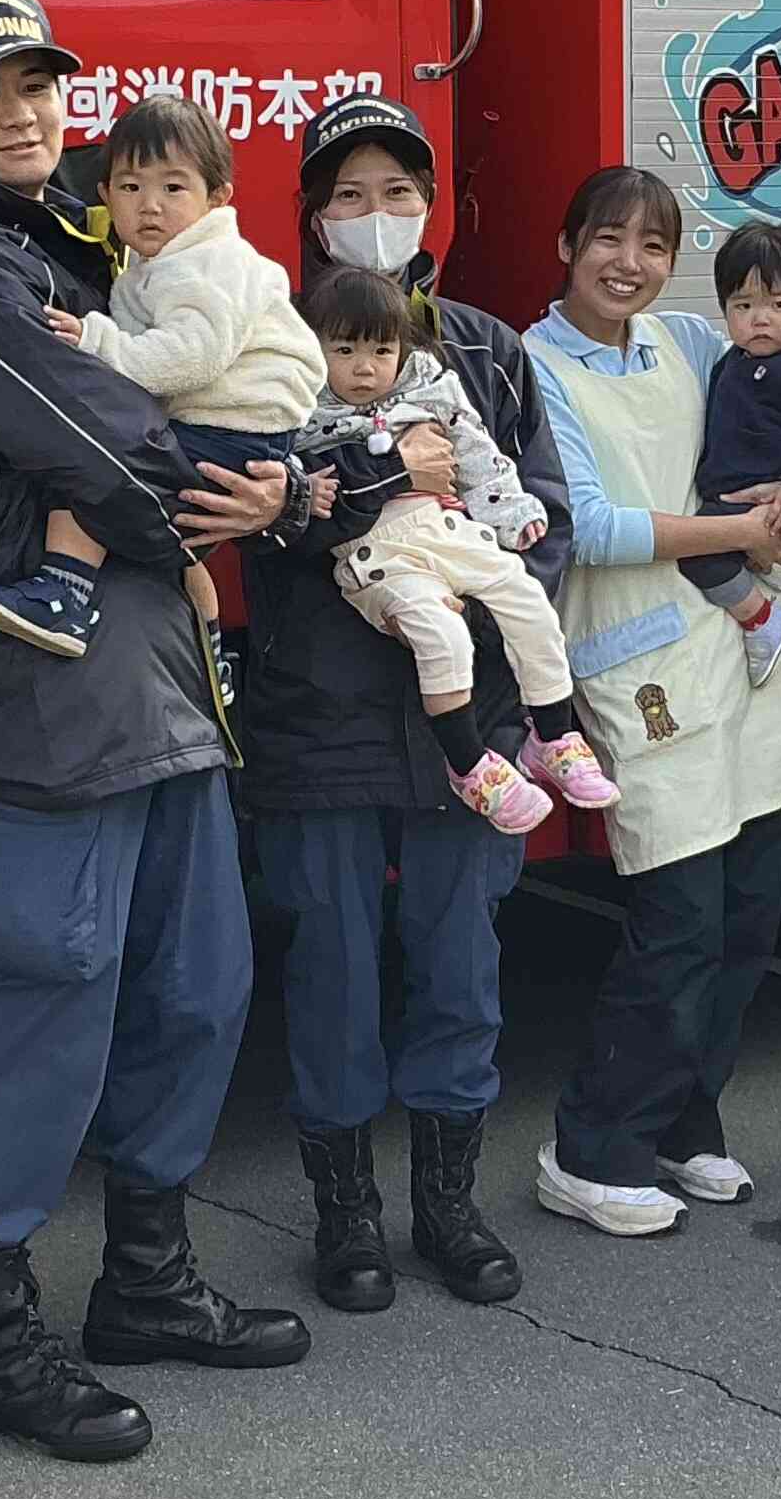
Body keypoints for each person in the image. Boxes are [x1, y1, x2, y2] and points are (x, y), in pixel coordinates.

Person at [0, 0, 305, 1465]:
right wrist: (269, 484)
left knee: (196, 987)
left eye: (40, 86)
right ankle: (1, 1334)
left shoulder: (74, 240)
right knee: (43, 1000)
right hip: (39, 691)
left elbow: (217, 386)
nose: (22, 112)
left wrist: (287, 476)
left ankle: (146, 1281)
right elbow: (103, 438)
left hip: (161, 677)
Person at [237, 94, 564, 1317]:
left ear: (436, 211)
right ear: (315, 216)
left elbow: (546, 516)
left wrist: (524, 670)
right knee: (327, 964)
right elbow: (256, 522)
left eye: (400, 194)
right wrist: (377, 481)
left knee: (459, 962)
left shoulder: (484, 344)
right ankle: (345, 1216)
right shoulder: (270, 346)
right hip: (316, 712)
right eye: (352, 196)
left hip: (461, 722)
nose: (379, 219)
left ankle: (448, 1207)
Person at [526, 165, 781, 1239]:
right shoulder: (536, 369)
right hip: (640, 664)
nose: (631, 263)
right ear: (567, 244)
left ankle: (683, 1120)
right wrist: (741, 535)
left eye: (655, 245)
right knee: (679, 921)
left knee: (750, 913)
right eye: (609, 239)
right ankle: (592, 1146)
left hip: (738, 646)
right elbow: (591, 525)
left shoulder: (689, 341)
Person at [0, 89, 322, 649]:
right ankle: (212, 649)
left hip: (228, 430)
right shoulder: (163, 261)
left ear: (217, 197)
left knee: (98, 483)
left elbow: (189, 358)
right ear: (106, 195)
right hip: (238, 432)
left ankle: (61, 596)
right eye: (131, 188)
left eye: (173, 187)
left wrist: (96, 339)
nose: (150, 205)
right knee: (182, 553)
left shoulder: (204, 263)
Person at [294, 263, 609, 831]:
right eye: (343, 350)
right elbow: (300, 495)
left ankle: (554, 735)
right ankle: (470, 764)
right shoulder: (299, 411)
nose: (364, 368)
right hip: (380, 558)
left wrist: (513, 516)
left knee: (529, 603)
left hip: (452, 532)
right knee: (442, 637)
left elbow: (480, 452)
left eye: (380, 351)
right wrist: (385, 470)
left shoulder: (433, 389)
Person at [678, 218, 781, 686]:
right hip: (724, 495)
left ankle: (762, 620)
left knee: (696, 554)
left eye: (778, 304)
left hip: (762, 497)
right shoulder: (731, 360)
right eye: (742, 305)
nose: (759, 318)